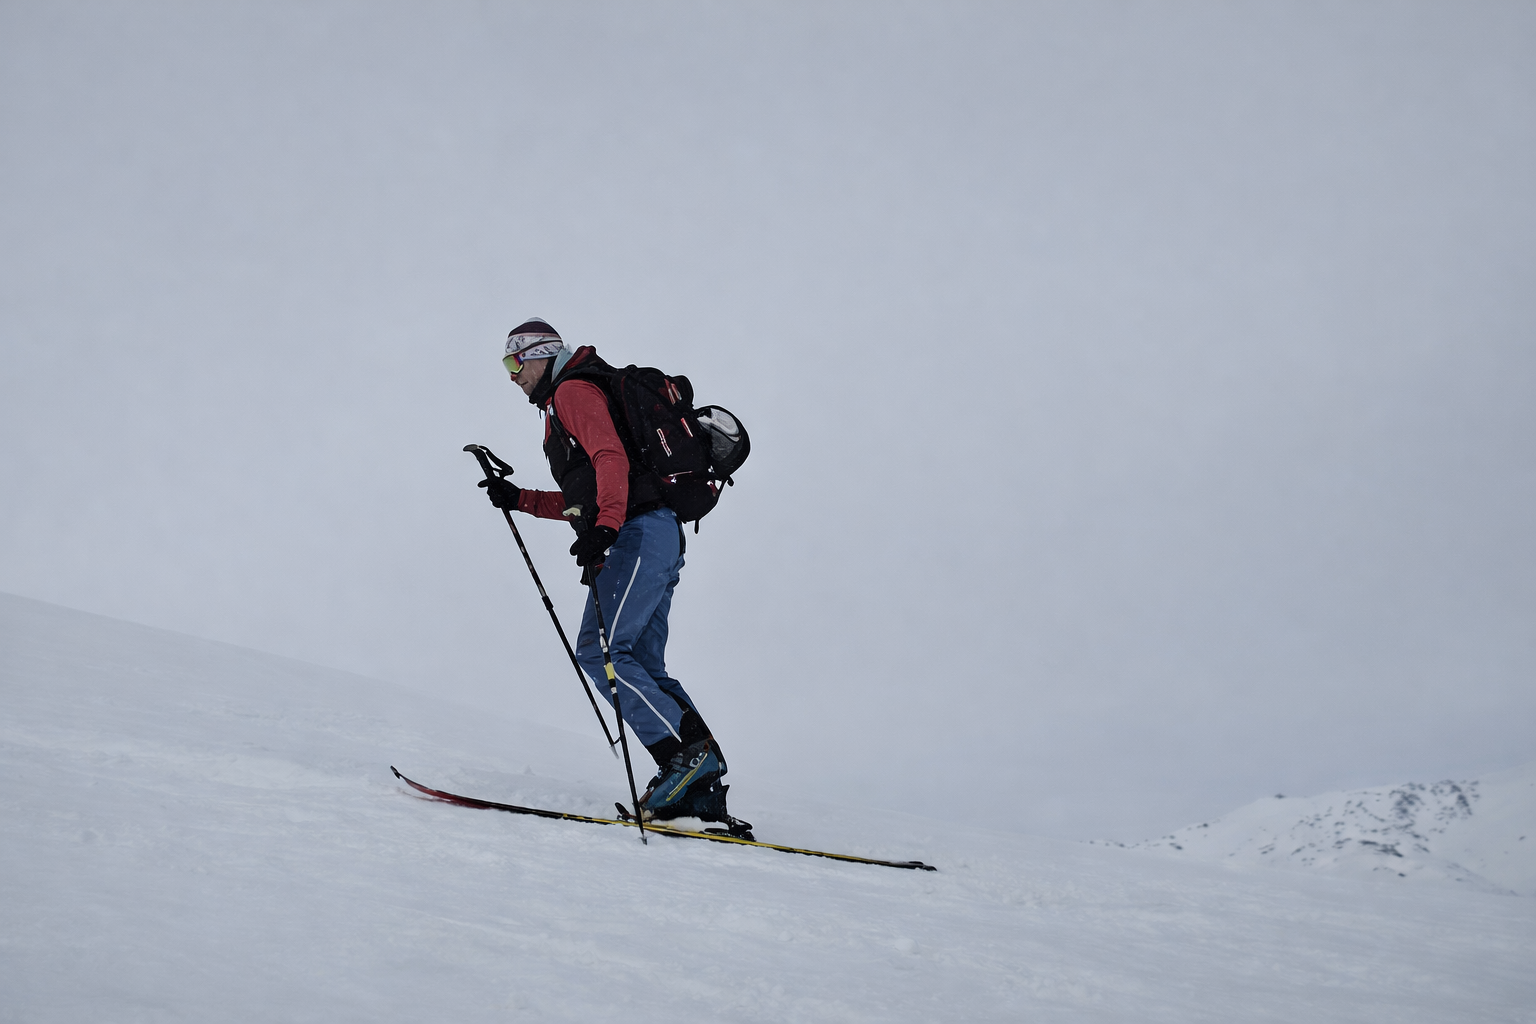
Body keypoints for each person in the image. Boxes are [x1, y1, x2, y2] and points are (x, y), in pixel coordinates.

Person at [479, 317, 748, 835]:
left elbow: (610, 460)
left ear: (541, 355)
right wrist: (520, 500)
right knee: (640, 659)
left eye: (515, 362)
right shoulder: (570, 399)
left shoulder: (572, 391)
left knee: (601, 651)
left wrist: (606, 528)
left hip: (638, 533)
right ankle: (698, 780)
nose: (512, 376)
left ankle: (686, 762)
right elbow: (590, 493)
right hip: (657, 532)